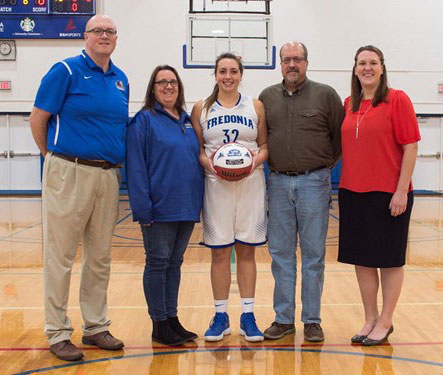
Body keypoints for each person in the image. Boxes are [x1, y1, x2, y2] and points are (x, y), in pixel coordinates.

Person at [29, 15, 128, 361]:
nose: (104, 36)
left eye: (110, 31)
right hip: (68, 172)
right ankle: (57, 331)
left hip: (107, 175)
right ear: (85, 36)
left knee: (100, 257)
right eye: (98, 31)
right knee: (61, 257)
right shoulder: (65, 71)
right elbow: (38, 118)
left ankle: (96, 326)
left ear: (116, 39)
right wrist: (52, 158)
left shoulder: (121, 79)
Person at [259, 41, 344, 342]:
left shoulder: (326, 95)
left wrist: (319, 168)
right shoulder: (266, 97)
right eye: (286, 60)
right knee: (280, 254)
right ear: (279, 64)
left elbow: (339, 139)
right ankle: (283, 319)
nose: (292, 64)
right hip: (278, 182)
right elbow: (261, 139)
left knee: (313, 256)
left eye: (297, 59)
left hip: (314, 182)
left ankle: (312, 320)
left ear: (306, 62)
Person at [338, 45, 420, 346]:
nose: (367, 68)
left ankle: (385, 321)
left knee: (388, 261)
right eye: (362, 63)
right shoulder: (349, 104)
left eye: (373, 62)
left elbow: (411, 147)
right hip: (352, 192)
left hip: (389, 194)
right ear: (355, 68)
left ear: (382, 68)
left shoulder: (397, 99)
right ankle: (370, 318)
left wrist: (401, 190)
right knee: (362, 261)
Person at [191, 52, 268, 342]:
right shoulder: (201, 108)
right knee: (220, 252)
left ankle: (248, 316)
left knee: (247, 251)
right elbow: (198, 150)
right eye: (222, 71)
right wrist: (210, 164)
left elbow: (264, 146)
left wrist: (253, 161)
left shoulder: (255, 105)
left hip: (250, 184)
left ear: (240, 75)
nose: (228, 76)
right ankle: (220, 315)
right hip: (216, 185)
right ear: (215, 74)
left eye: (233, 71)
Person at [126, 65, 204, 346]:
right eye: (162, 82)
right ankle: (159, 324)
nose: (168, 86)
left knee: (175, 264)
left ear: (179, 87)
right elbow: (135, 167)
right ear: (153, 88)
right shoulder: (143, 121)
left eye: (173, 82)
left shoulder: (185, 120)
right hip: (158, 208)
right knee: (158, 264)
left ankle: (172, 319)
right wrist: (142, 207)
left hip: (186, 207)